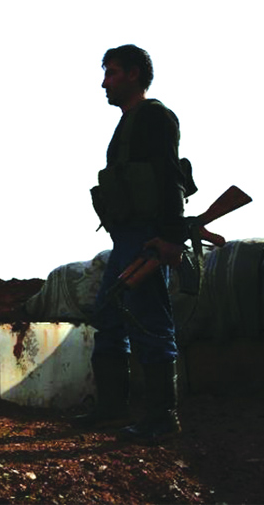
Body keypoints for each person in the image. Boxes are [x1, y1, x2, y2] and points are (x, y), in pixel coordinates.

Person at [79, 44, 188, 440]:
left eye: (111, 73)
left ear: (134, 75)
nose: (104, 82)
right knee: (108, 317)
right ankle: (111, 408)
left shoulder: (155, 117)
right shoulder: (126, 124)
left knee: (150, 320)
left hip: (147, 235)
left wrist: (170, 237)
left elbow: (169, 176)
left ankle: (162, 418)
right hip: (127, 236)